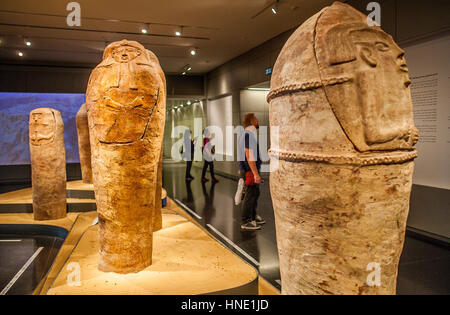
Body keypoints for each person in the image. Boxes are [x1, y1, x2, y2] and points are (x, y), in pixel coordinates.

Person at [238, 113, 265, 231]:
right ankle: (246, 221)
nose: (258, 121)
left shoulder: (247, 134)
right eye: (256, 119)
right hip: (249, 171)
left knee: (255, 193)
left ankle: (253, 217)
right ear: (251, 120)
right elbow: (249, 155)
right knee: (250, 195)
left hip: (249, 170)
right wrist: (255, 174)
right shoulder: (247, 135)